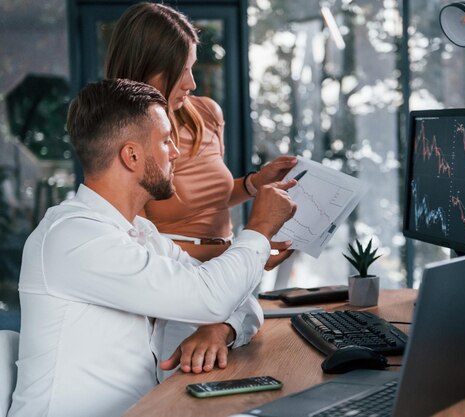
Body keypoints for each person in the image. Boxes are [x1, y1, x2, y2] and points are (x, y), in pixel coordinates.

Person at [8, 78, 297, 417]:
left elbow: (237, 300)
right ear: (131, 155)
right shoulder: (74, 237)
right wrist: (261, 228)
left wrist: (220, 328)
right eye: (165, 141)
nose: (174, 152)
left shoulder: (140, 232)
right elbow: (211, 297)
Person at [105, 2, 297, 267]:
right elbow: (141, 245)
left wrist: (254, 184)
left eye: (191, 67)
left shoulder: (206, 113)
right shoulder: (121, 138)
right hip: (178, 277)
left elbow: (209, 199)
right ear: (144, 68)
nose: (191, 83)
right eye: (180, 71)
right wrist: (245, 251)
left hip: (227, 268)